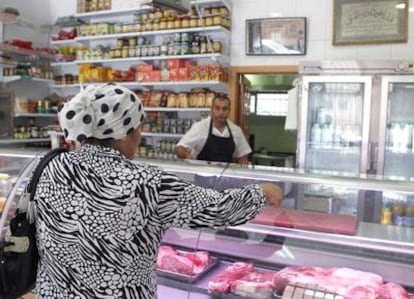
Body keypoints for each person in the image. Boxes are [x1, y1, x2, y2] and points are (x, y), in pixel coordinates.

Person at [34, 83, 282, 299]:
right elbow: (217, 210)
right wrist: (262, 192)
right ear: (122, 134)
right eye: (138, 128)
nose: (140, 137)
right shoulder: (146, 182)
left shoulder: (48, 165)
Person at [175, 93, 252, 165]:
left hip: (226, 176)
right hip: (203, 175)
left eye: (224, 109)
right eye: (217, 108)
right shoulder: (200, 127)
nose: (221, 112)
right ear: (211, 109)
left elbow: (243, 157)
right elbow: (179, 148)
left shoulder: (236, 130)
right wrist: (188, 156)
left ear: (229, 110)